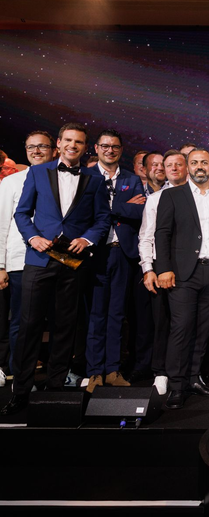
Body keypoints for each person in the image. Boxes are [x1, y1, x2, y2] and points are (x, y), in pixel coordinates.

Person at [2, 123, 111, 416]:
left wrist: (87, 238)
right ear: (59, 143)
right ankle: (21, 392)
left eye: (79, 142)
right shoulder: (37, 172)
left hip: (72, 261)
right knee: (29, 327)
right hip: (39, 259)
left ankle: (55, 390)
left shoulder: (94, 179)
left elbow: (102, 219)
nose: (73, 145)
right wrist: (33, 236)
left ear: (84, 147)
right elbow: (21, 213)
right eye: (68, 140)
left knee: (65, 326)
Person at [155, 148, 209, 409]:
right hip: (183, 273)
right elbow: (162, 234)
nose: (199, 167)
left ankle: (195, 378)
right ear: (187, 167)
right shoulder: (172, 195)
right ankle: (176, 384)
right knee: (181, 329)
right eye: (194, 163)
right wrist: (163, 268)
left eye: (204, 162)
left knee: (203, 329)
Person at [84, 129, 146, 393]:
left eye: (116, 147)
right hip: (94, 253)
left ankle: (112, 369)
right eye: (105, 146)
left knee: (117, 314)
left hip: (122, 252)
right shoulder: (85, 176)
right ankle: (94, 371)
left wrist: (111, 209)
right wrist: (121, 207)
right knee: (96, 314)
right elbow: (83, 213)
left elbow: (139, 209)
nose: (110, 150)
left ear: (121, 150)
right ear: (97, 148)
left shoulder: (132, 179)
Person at [0, 131, 57, 388]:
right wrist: (0, 265)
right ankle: (21, 378)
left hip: (57, 261)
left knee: (58, 321)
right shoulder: (11, 183)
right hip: (21, 261)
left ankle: (57, 375)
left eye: (42, 147)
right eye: (31, 147)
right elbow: (2, 225)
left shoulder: (62, 178)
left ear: (53, 150)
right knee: (23, 320)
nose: (36, 151)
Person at [139, 150, 188, 395]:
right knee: (162, 323)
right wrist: (148, 269)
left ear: (186, 167)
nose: (174, 169)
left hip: (191, 268)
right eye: (169, 165)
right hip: (161, 268)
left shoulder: (201, 196)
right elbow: (146, 237)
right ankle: (160, 372)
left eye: (179, 164)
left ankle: (186, 372)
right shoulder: (155, 199)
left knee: (186, 324)